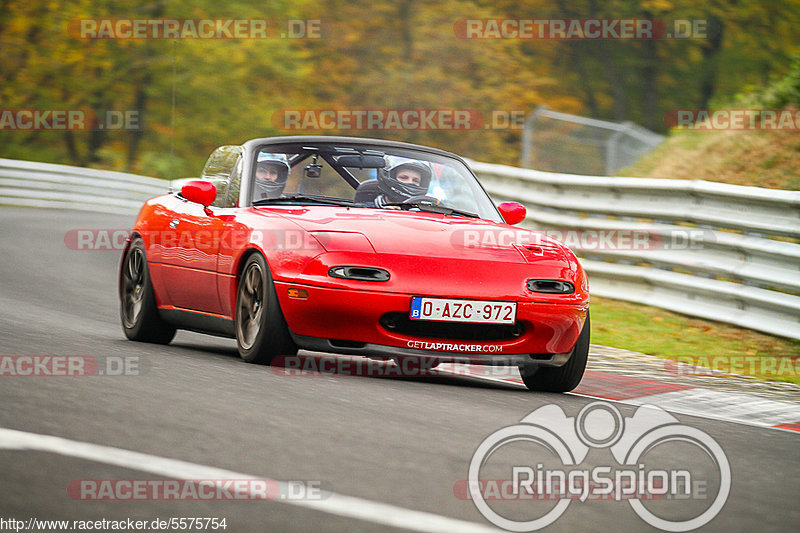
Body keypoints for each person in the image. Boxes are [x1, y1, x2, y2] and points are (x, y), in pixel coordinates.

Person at [354, 157, 433, 207]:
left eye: (415, 180)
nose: (410, 182)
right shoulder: (365, 209)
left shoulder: (423, 213)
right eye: (403, 178)